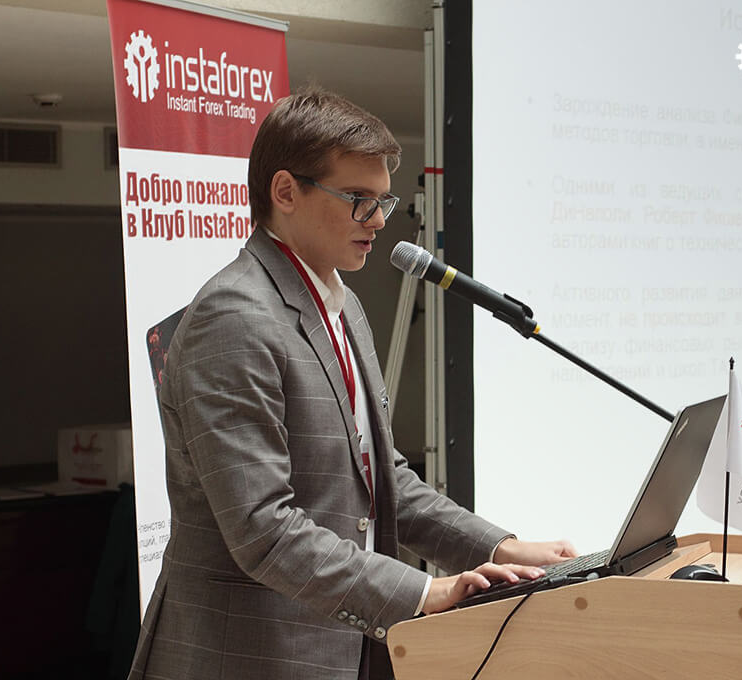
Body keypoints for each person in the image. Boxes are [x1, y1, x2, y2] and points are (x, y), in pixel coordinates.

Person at [127, 85, 576, 680]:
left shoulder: (345, 307)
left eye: (384, 201)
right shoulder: (234, 317)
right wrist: (425, 592)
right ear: (286, 192)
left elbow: (382, 479)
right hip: (248, 655)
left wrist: (498, 547)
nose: (380, 221)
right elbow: (263, 528)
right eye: (359, 200)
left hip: (345, 646)